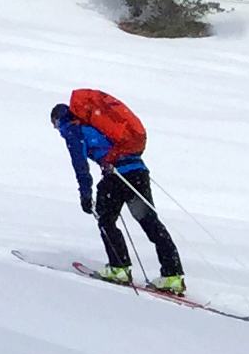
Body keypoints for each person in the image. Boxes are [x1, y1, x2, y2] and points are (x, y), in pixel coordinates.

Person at [53, 92, 183, 293]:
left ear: (58, 120)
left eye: (55, 126)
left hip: (116, 176)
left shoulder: (72, 129)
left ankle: (119, 268)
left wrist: (85, 195)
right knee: (150, 222)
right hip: (138, 171)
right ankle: (173, 275)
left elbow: (80, 165)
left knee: (106, 220)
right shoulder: (95, 124)